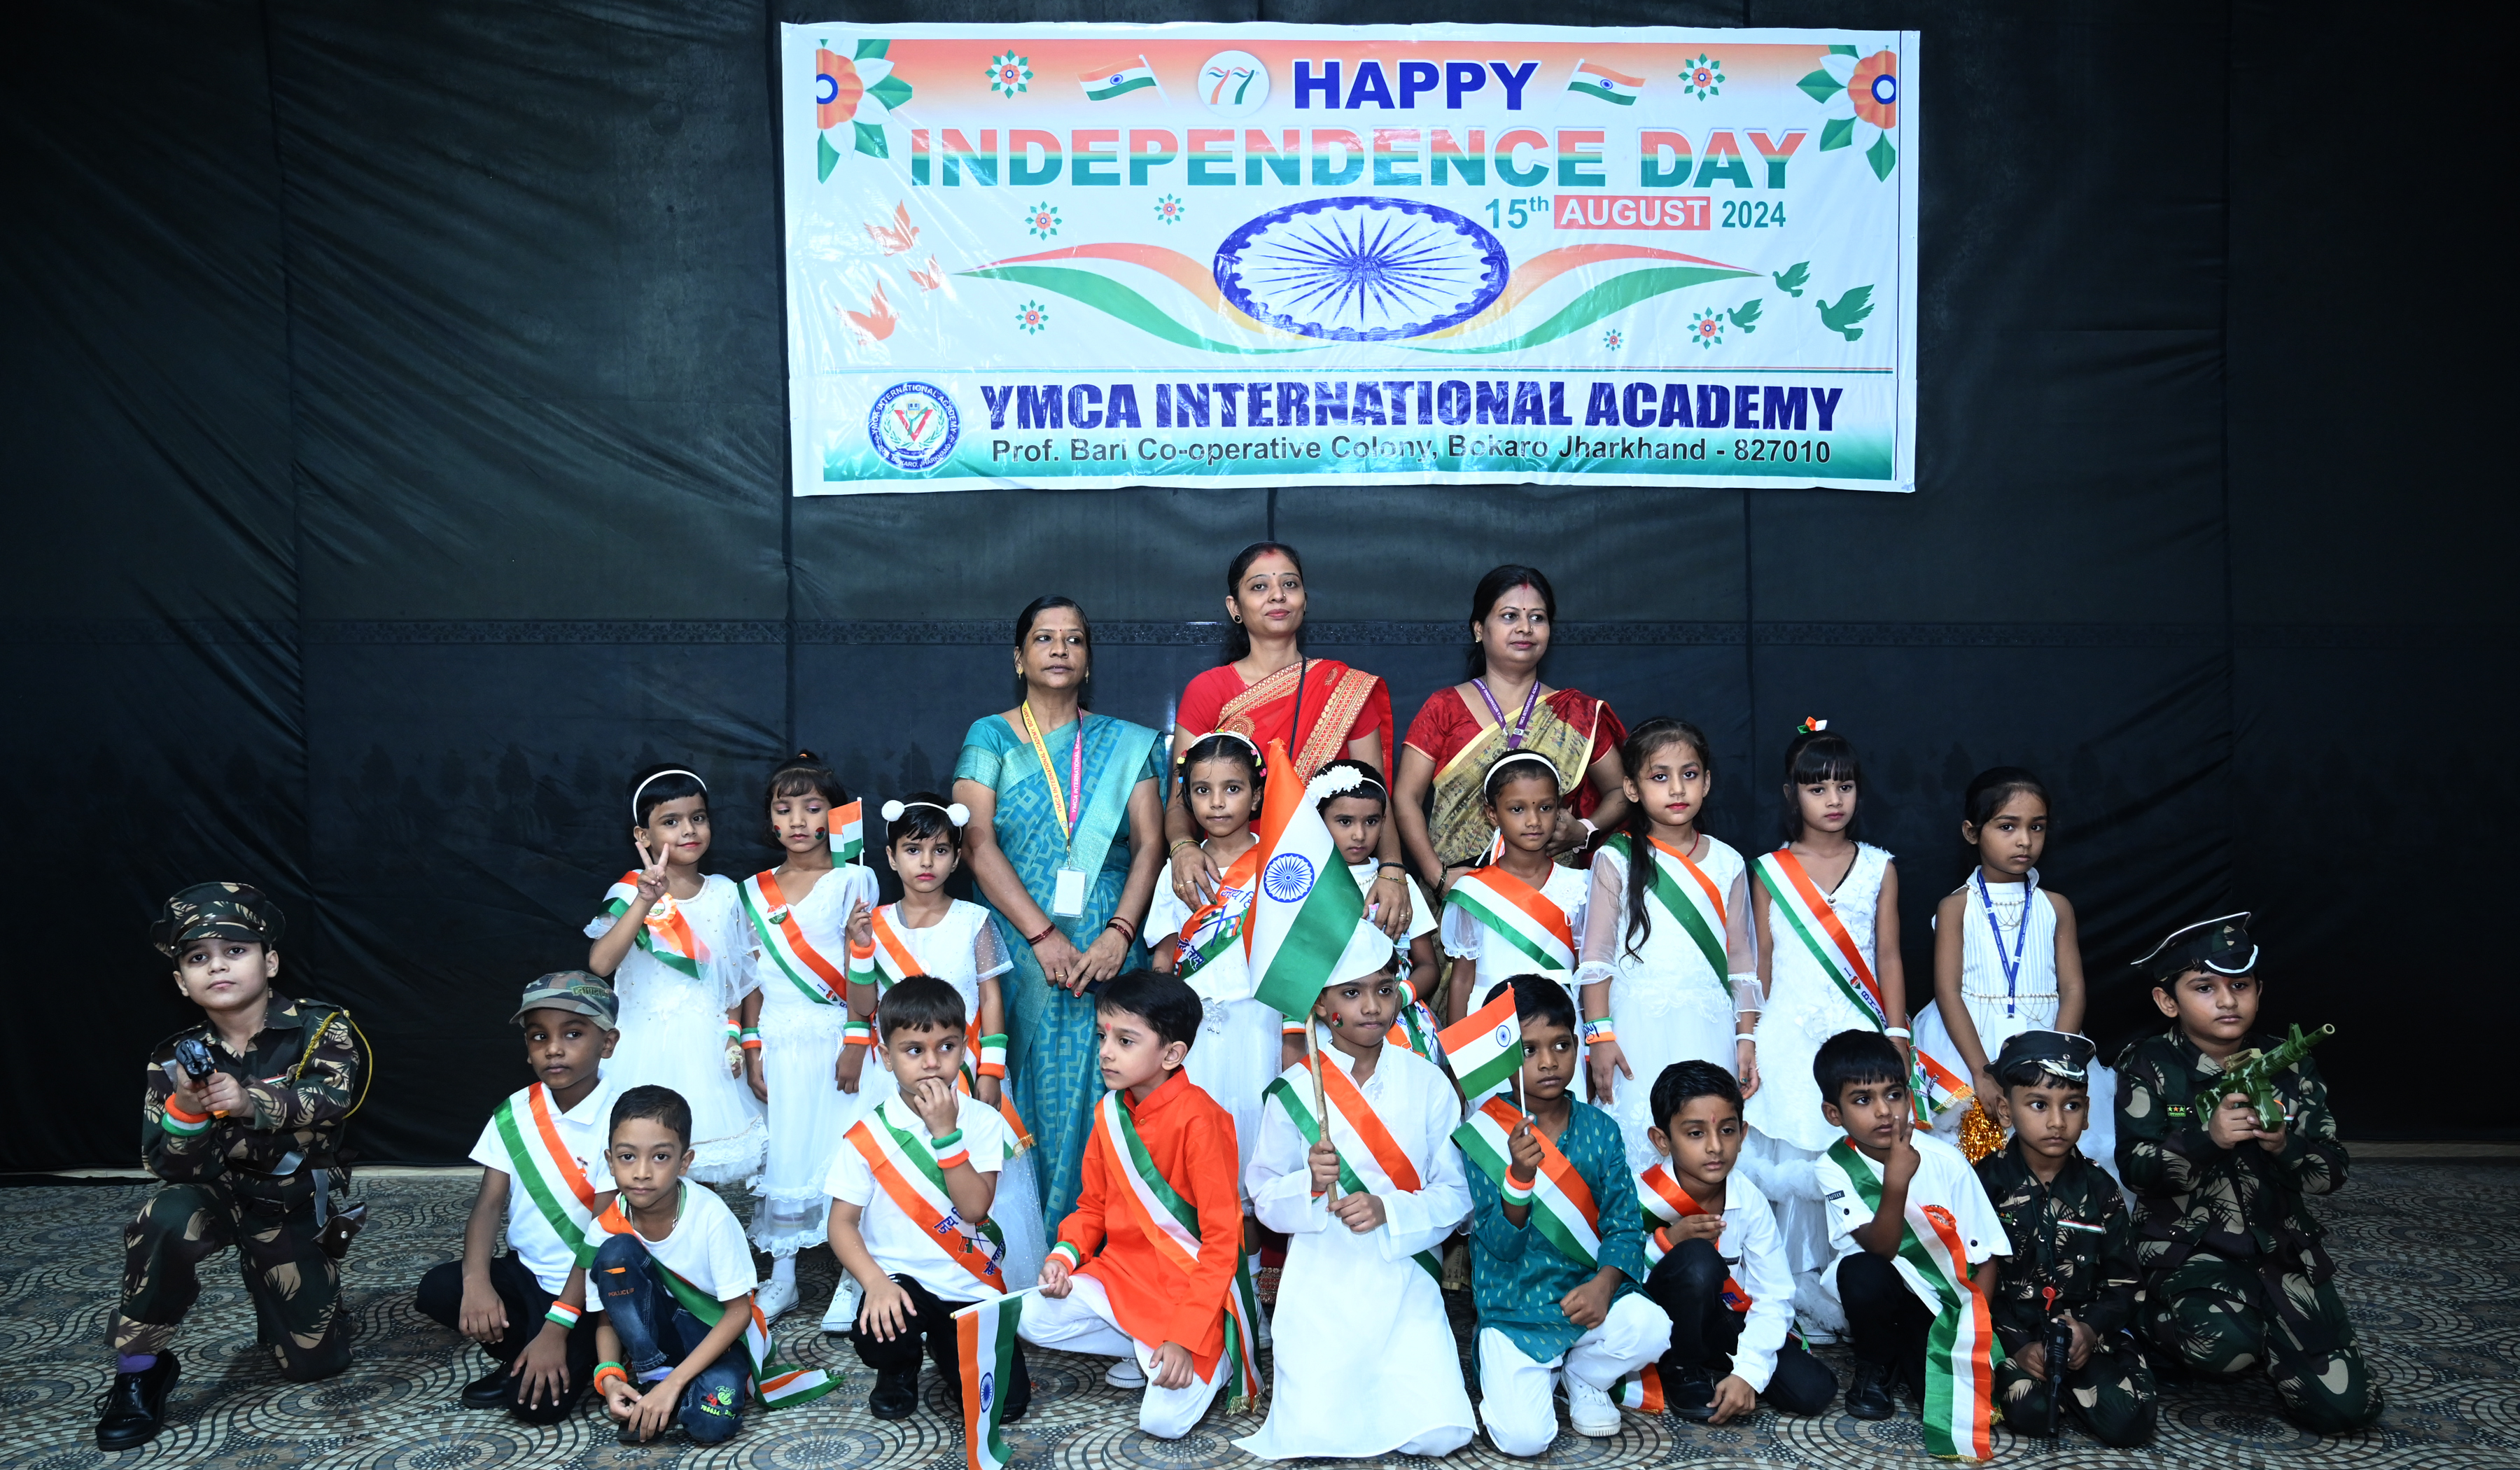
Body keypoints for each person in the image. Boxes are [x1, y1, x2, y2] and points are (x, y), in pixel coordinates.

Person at [100, 883, 367, 1452]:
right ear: (181, 982)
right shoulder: (172, 1059)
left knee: (314, 1365)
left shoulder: (321, 1027)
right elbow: (168, 1164)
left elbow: (335, 1099)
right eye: (198, 957)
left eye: (236, 951)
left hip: (290, 1198)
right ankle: (139, 1370)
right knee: (165, 1216)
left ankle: (289, 1294)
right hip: (214, 1193)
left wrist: (251, 1102)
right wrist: (185, 1111)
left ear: (269, 963)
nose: (217, 966)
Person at [2115, 914, 2379, 1433]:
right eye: (2204, 988)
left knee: (2346, 1411)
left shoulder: (2289, 1064)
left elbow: (2332, 1173)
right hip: (2191, 1250)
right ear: (2167, 1002)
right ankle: (2142, 1320)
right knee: (2222, 1348)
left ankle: (2269, 1337)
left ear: (2259, 990)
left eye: (2240, 986)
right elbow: (2137, 1170)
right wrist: (2206, 1140)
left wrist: (2285, 1146)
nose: (2227, 1001)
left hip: (2281, 1251)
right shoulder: (2149, 1063)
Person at [955, 596, 1166, 1233]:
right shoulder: (990, 736)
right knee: (1032, 1089)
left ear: (1089, 660)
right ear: (1020, 658)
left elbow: (1150, 844)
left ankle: (1108, 1243)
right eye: (1044, 638)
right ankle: (1036, 1244)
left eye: (1074, 639)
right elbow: (976, 842)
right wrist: (1042, 935)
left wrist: (1120, 933)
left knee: (1112, 1085)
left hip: (1108, 944)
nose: (1060, 650)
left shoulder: (1127, 744)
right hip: (1021, 948)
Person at [1236, 937, 1475, 1459]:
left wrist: (1390, 1209)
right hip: (1322, 1279)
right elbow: (1264, 1195)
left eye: (1384, 990)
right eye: (1351, 993)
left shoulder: (1429, 1084)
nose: (1371, 1006)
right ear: (1321, 1005)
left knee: (1440, 1434)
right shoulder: (1295, 1089)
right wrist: (1309, 1183)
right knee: (1314, 1436)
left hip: (1405, 1276)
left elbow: (1458, 1193)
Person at [1019, 969, 1261, 1436]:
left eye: (1125, 1041)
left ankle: (1215, 1355)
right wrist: (1062, 1259)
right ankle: (1141, 1345)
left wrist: (1185, 1338)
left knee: (1162, 1423)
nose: (1106, 1052)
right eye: (1103, 1036)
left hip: (1189, 1291)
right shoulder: (1109, 1113)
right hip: (1125, 1277)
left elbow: (1221, 1244)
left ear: (1172, 1054)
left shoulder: (1202, 1121)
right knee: (1031, 1316)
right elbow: (1092, 1207)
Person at [1455, 974, 1671, 1454]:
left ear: (1576, 1045)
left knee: (1651, 1327)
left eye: (1561, 1045)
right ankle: (1521, 1367)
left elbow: (1624, 1226)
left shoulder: (1601, 1130)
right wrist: (1518, 1177)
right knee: (1524, 1440)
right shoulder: (1483, 1135)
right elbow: (1499, 1244)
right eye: (1529, 1050)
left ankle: (1584, 1375)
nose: (1549, 1062)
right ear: (1504, 1057)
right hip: (1517, 1310)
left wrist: (1604, 1286)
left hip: (1587, 1303)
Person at [1740, 721, 1907, 1334]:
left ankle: (1851, 1288)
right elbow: (1760, 962)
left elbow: (1888, 956)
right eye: (1817, 788)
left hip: (1857, 1032)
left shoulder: (1880, 867)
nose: (1833, 800)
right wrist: (1748, 1036)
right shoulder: (1768, 870)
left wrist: (1898, 1034)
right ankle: (1791, 1293)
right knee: (1795, 1155)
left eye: (1845, 786)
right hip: (1787, 1034)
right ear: (1793, 794)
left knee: (1854, 1154)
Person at [844, 792, 1046, 1302]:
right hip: (897, 1077)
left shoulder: (974, 920)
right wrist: (862, 949)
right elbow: (864, 1005)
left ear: (957, 858)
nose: (926, 862)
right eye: (913, 850)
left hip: (966, 1070)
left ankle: (989, 1280)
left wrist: (991, 1074)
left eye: (939, 850)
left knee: (975, 1164)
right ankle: (888, 1276)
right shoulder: (875, 922)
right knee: (897, 1170)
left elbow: (991, 1000)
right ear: (891, 857)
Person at [1168, 541, 1409, 939]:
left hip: (1329, 882)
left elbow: (1376, 798)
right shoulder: (1207, 691)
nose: (1278, 595)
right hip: (1232, 883)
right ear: (1234, 607)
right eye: (1259, 586)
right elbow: (1179, 800)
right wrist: (1182, 847)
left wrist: (1393, 870)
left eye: (1290, 584)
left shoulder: (1345, 689)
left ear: (1305, 599)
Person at [827, 977, 1030, 1422]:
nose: (933, 1062)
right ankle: (898, 1367)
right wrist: (874, 1282)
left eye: (947, 1047)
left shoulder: (982, 1122)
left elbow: (974, 1210)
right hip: (899, 1283)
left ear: (964, 1050)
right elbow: (840, 1224)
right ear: (886, 1057)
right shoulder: (868, 1135)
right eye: (914, 1050)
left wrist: (946, 1133)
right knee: (880, 1327)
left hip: (968, 1283)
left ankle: (943, 1341)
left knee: (1008, 1405)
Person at [416, 972, 616, 1426]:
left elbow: (602, 1234)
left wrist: (557, 1329)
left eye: (573, 1034)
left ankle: (578, 1351)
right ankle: (526, 1356)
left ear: (607, 1043)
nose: (554, 1049)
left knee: (535, 1409)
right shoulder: (514, 1112)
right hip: (528, 1273)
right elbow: (489, 1204)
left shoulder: (622, 1118)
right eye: (539, 1036)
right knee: (440, 1289)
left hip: (589, 1289)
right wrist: (477, 1283)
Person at [590, 1085, 834, 1443]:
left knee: (711, 1424)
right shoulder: (606, 1227)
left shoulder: (711, 1216)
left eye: (660, 1157)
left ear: (684, 1162)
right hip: (656, 1342)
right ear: (610, 1161)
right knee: (616, 1254)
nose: (642, 1172)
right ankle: (654, 1376)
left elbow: (738, 1313)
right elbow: (607, 1316)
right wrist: (610, 1378)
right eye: (628, 1157)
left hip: (717, 1339)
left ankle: (673, 1385)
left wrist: (675, 1383)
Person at [1809, 1031, 2005, 1460]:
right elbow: (1881, 1247)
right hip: (1879, 1283)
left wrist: (1970, 1336)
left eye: (1894, 1095)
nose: (1884, 1111)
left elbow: (1987, 1256)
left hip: (1939, 1300)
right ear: (1834, 1113)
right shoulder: (1833, 1167)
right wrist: (1897, 1180)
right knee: (1860, 1272)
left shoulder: (1946, 1160)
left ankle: (1904, 1352)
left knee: (1939, 1391)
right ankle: (1876, 1362)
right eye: (1863, 1100)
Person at [733, 752, 879, 1322]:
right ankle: (784, 1275)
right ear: (770, 819)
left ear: (833, 816)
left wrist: (856, 1042)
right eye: (784, 808)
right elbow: (749, 979)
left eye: (812, 808)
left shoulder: (853, 879)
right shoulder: (753, 891)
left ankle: (853, 1273)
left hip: (837, 1038)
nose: (797, 821)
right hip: (779, 1040)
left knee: (845, 1152)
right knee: (790, 1153)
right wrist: (751, 1047)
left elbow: (864, 976)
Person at [1579, 718, 1758, 1172]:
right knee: (1641, 1143)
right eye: (1660, 777)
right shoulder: (1615, 857)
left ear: (1707, 782)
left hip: (1710, 1027)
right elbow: (1596, 956)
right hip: (1635, 1028)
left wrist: (1746, 1036)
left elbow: (1741, 959)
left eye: (1689, 774)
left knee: (1708, 1135)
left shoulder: (1729, 862)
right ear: (1632, 788)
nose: (1677, 788)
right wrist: (1600, 1036)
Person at [1917, 767, 2115, 1173]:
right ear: (1972, 832)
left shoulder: (2055, 906)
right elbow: (1948, 991)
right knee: (1972, 1165)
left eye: (2036, 827)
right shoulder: (1956, 907)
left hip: (2048, 1039)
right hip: (1969, 1047)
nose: (2025, 840)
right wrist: (1981, 1073)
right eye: (2008, 826)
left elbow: (2073, 989)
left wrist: (2057, 1061)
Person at [1394, 565, 1628, 892]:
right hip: (1462, 894)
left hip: (1552, 900)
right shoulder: (1444, 708)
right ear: (1479, 629)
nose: (1525, 628)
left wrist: (1585, 829)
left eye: (1537, 618)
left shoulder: (1578, 713)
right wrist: (1438, 877)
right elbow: (1406, 797)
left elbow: (1623, 791)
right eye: (1509, 616)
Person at [1973, 1030, 2157, 1447]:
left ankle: (2090, 1381)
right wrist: (2018, 1344)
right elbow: (1971, 1282)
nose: (2057, 1122)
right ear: (2005, 1110)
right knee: (2031, 1412)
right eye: (2038, 1105)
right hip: (2011, 1331)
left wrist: (2090, 1331)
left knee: (2129, 1423)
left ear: (2087, 1113)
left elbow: (2125, 1283)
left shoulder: (2101, 1188)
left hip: (2083, 1333)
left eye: (2071, 1105)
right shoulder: (1984, 1184)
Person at [586, 765, 764, 1187]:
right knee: (638, 1160)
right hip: (641, 1043)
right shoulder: (629, 893)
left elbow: (736, 980)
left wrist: (735, 1034)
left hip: (708, 1045)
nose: (688, 830)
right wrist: (645, 902)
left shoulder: (724, 892)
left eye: (697, 817)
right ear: (643, 836)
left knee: (698, 1159)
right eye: (671, 821)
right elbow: (601, 964)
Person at [1637, 1060, 1835, 1424]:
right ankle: (1682, 1367)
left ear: (1743, 1134)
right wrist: (1666, 1242)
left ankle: (1721, 1364)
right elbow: (1616, 1282)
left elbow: (1773, 1293)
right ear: (1662, 1140)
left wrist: (1748, 1373)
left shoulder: (1751, 1200)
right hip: (1662, 1324)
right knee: (1697, 1260)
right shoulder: (1641, 1197)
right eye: (1696, 1133)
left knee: (1813, 1391)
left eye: (1727, 1130)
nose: (1715, 1147)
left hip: (1725, 1320)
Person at [1147, 732, 1289, 1189]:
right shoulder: (1176, 872)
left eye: (1233, 788)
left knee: (1258, 1135)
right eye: (1203, 790)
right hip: (1194, 1033)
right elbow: (1164, 957)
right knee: (1197, 1147)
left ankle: (1254, 1234)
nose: (1218, 802)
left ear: (1257, 795)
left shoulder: (1281, 865)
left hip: (1261, 1025)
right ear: (1187, 799)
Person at [1441, 755, 1590, 1098]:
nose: (1534, 821)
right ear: (1492, 813)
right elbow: (1462, 978)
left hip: (1560, 1027)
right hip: (1492, 1028)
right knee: (1497, 1119)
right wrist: (1460, 1058)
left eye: (1545, 808)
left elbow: (1588, 974)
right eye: (1518, 809)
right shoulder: (1473, 891)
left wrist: (1594, 1042)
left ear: (1559, 811)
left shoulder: (1581, 886)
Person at [1317, 757, 1444, 1058]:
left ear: (1384, 822)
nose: (1359, 834)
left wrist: (1398, 998)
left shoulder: (1399, 886)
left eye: (1371, 822)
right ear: (1319, 820)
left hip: (1398, 1023)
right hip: (1328, 1027)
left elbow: (1428, 966)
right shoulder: (1307, 886)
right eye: (1345, 822)